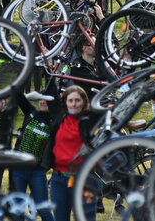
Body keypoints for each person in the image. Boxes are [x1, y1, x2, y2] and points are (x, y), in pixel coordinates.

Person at [42, 86, 96, 221]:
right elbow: (50, 90)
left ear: (84, 101)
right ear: (65, 102)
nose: (74, 104)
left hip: (84, 180)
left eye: (77, 100)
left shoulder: (89, 120)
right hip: (59, 179)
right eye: (70, 100)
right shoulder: (59, 118)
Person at [12, 91, 56, 221]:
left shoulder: (55, 121)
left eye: (46, 99)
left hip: (37, 172)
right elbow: (18, 94)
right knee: (17, 209)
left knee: (43, 209)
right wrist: (24, 71)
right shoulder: (31, 112)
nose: (43, 101)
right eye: (41, 99)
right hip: (18, 168)